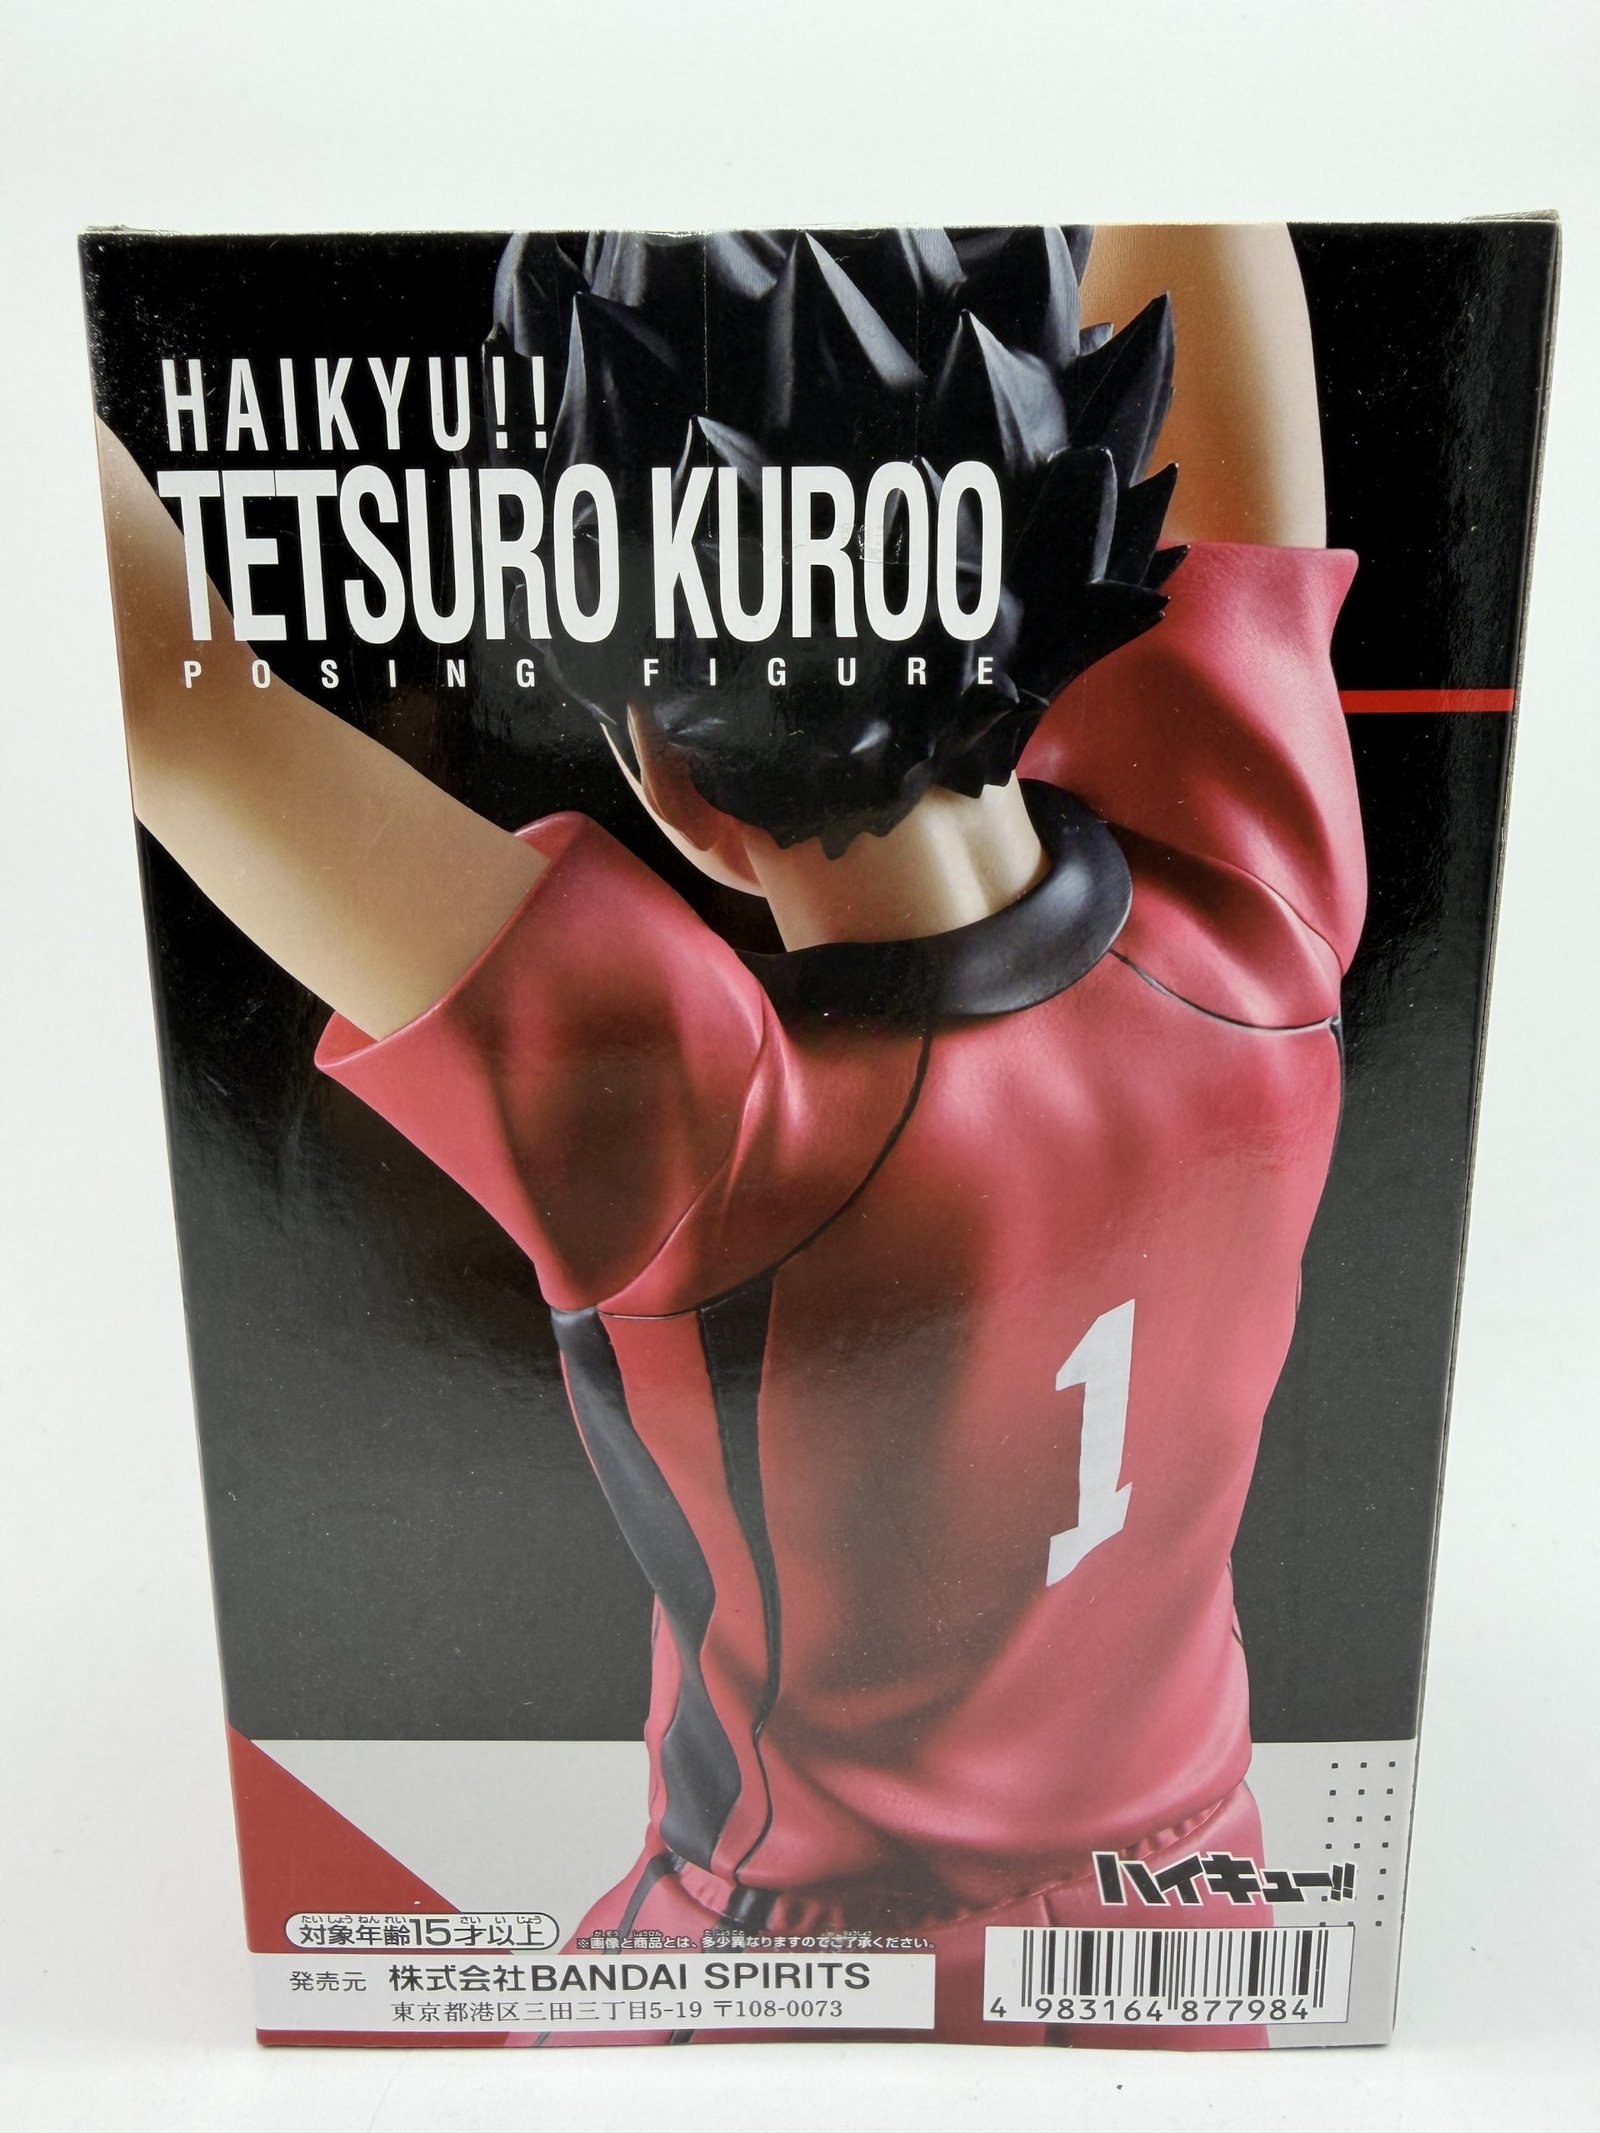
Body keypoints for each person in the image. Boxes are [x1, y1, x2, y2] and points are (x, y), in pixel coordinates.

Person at [94, 224, 1362, 2049]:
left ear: (668, 771)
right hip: (1186, 1943)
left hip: (770, 1997)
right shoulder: (1260, 897)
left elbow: (163, 698)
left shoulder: (698, 1120)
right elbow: (1207, 227)